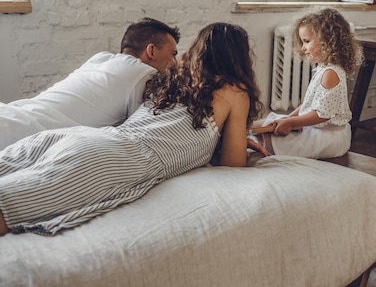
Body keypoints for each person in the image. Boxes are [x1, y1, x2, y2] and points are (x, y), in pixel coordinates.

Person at [0, 22, 268, 236]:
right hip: (119, 158)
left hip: (85, 137)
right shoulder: (236, 91)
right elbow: (233, 166)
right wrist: (235, 139)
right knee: (11, 206)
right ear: (239, 59)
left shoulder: (172, 80)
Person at [0, 17, 180, 150]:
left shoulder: (100, 58)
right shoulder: (143, 73)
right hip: (20, 136)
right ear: (151, 51)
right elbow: (141, 132)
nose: (175, 63)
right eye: (173, 54)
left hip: (14, 114)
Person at [251, 8, 362, 159]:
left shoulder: (331, 73)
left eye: (307, 41)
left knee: (268, 139)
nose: (303, 48)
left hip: (328, 138)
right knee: (268, 122)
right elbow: (308, 105)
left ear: (327, 42)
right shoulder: (323, 69)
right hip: (319, 131)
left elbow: (322, 115)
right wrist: (289, 118)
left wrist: (291, 123)